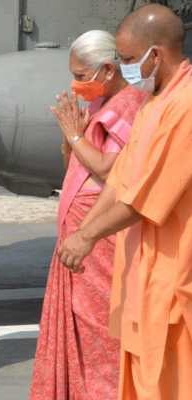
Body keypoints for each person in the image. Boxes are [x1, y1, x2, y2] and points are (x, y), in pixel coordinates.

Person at [58, 5, 192, 400]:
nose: (126, 70)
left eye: (131, 60)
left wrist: (87, 236)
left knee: (174, 379)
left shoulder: (185, 106)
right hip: (143, 273)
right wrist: (83, 232)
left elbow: (146, 197)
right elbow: (120, 180)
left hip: (176, 271)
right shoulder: (154, 104)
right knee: (142, 376)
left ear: (157, 54)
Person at [30, 30, 147, 400]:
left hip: (100, 236)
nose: (75, 84)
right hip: (79, 231)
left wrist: (74, 136)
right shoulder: (100, 106)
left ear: (108, 71)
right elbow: (76, 169)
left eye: (82, 76)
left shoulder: (130, 105)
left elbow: (113, 171)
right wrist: (71, 142)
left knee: (99, 329)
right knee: (79, 327)